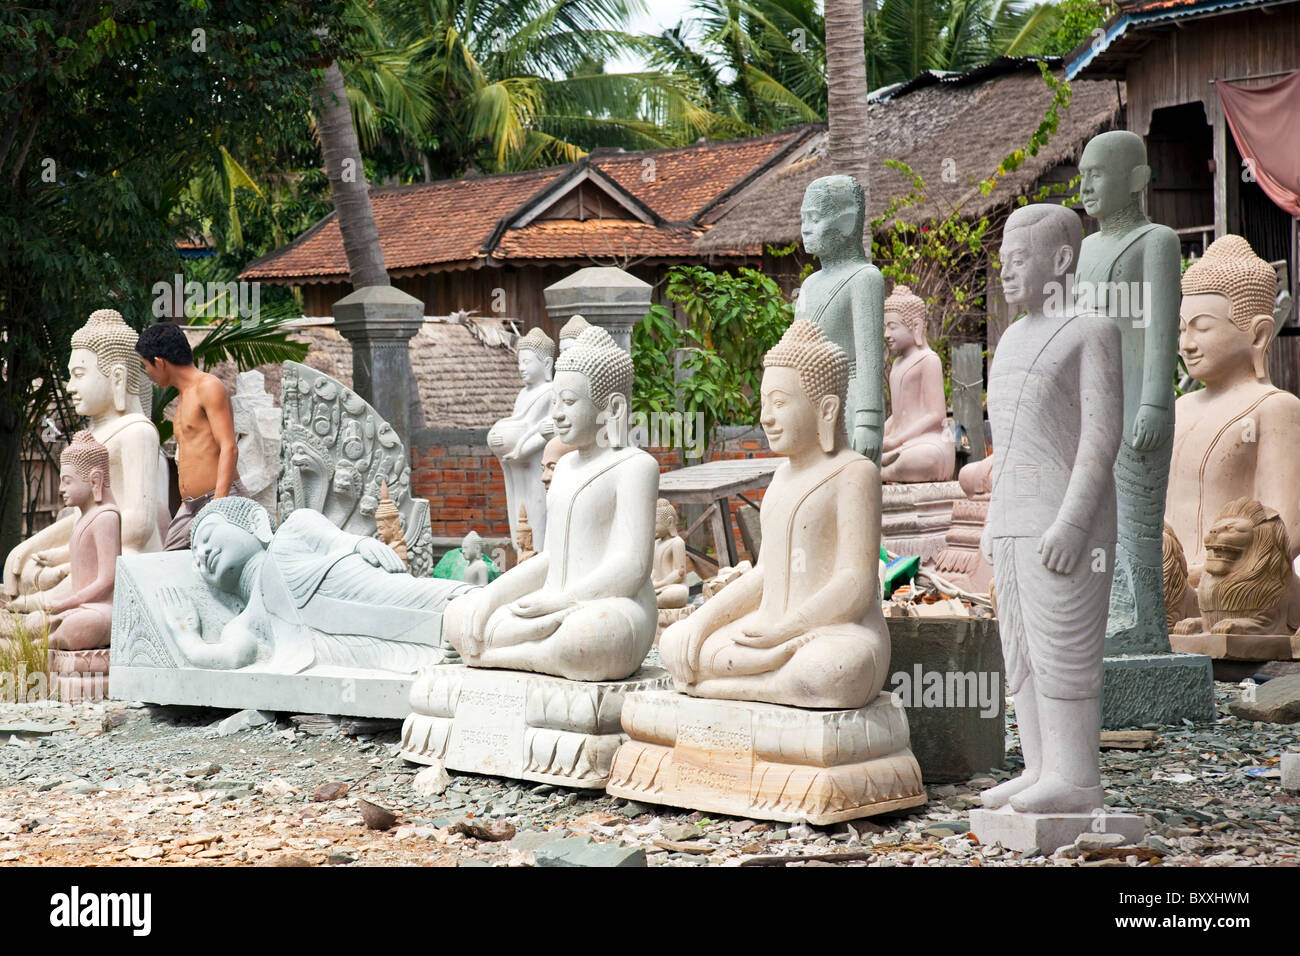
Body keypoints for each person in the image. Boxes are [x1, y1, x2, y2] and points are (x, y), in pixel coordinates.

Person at [979, 204, 1123, 814]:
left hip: (1067, 519)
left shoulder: (1093, 329)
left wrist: (1072, 520)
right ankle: (1039, 764)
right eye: (1003, 260)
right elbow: (1005, 443)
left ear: (1061, 259)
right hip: (1012, 515)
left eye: (1018, 259)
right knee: (1022, 651)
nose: (1006, 272)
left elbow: (1099, 436)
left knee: (1063, 647)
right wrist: (991, 517)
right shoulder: (1011, 337)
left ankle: (1077, 776)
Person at [135, 322, 246, 550]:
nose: (148, 374)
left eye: (145, 366)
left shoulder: (208, 387)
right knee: (167, 567)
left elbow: (229, 447)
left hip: (220, 499)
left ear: (159, 362)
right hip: (189, 507)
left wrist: (219, 506)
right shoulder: (184, 396)